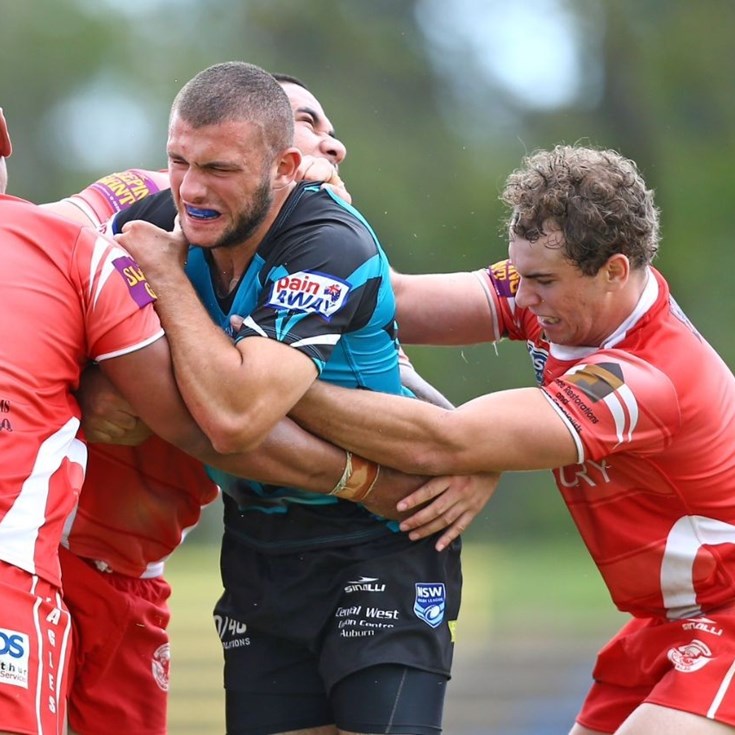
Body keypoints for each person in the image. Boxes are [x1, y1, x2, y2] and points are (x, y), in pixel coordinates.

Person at [39, 74, 475, 735]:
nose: (189, 188)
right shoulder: (160, 216)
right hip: (257, 550)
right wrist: (92, 381)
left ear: (285, 168)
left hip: (377, 545)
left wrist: (474, 452)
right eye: (178, 161)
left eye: (218, 168)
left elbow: (235, 416)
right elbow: (39, 277)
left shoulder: (328, 243)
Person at [288, 143, 735, 735]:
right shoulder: (565, 297)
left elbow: (448, 441)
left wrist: (272, 385)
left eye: (542, 282)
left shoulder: (646, 378)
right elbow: (394, 300)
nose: (523, 298)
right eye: (519, 275)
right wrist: (323, 217)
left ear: (615, 270)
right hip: (667, 620)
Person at [0, 103, 356, 735]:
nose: (333, 146)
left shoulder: (326, 255)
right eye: (306, 121)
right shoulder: (148, 201)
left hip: (138, 575)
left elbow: (406, 344)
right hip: (52, 555)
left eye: (329, 131)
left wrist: (460, 455)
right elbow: (37, 257)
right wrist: (84, 377)